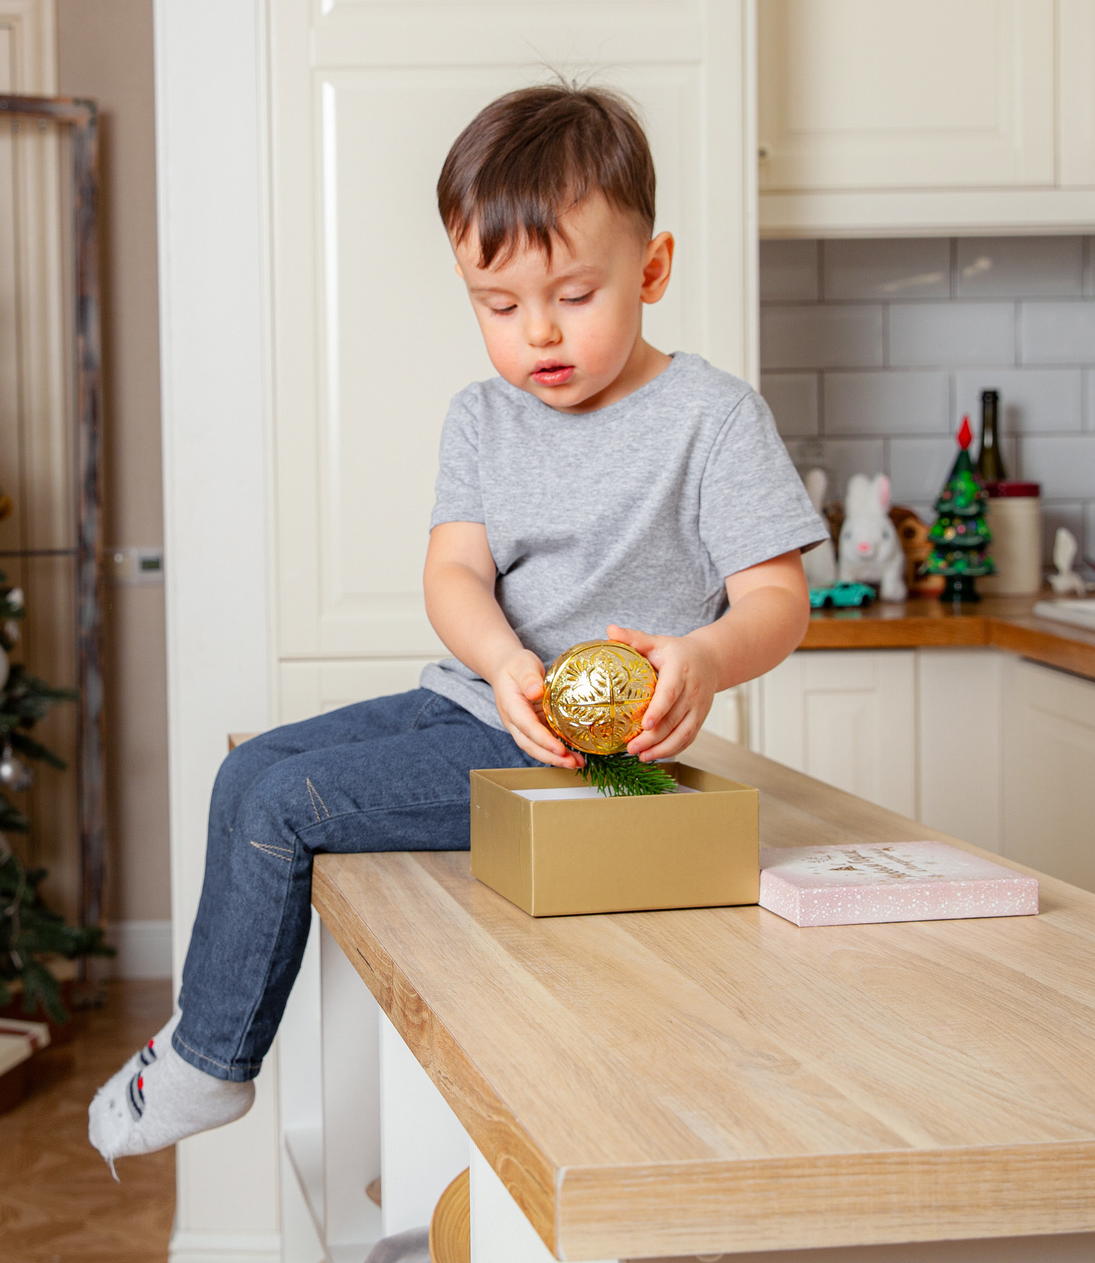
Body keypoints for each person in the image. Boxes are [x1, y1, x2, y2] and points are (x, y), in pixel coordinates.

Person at [88, 84, 826, 1162]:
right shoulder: (482, 416)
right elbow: (453, 573)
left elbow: (777, 602)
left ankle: (208, 1062)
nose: (538, 332)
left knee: (280, 799)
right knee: (246, 769)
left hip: (586, 757)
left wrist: (703, 658)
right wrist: (504, 660)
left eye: (575, 294)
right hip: (478, 700)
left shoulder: (712, 418)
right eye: (497, 304)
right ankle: (207, 1046)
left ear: (652, 269)